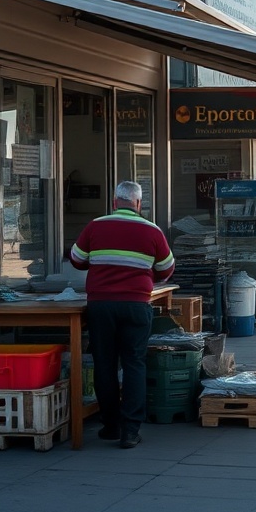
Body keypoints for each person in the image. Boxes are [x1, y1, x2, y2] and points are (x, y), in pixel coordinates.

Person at [70, 181, 175, 449]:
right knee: (134, 364)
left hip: (101, 305)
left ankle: (110, 425)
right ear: (138, 204)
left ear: (115, 202)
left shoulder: (96, 225)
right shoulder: (152, 230)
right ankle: (130, 431)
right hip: (136, 305)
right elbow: (166, 269)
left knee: (104, 364)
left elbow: (77, 259)